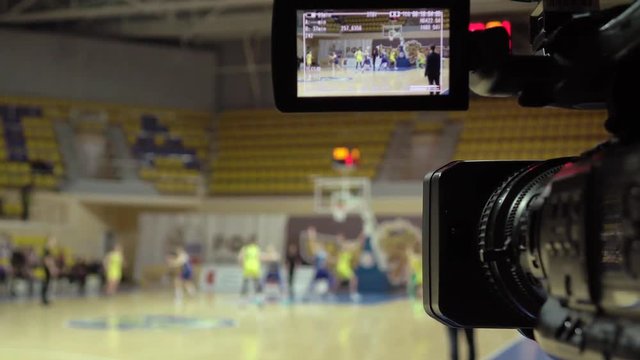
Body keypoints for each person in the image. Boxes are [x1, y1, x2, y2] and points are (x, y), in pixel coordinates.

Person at [303, 226, 335, 300]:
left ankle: (330, 292)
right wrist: (312, 235)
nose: (320, 246)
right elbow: (312, 245)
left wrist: (332, 260)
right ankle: (307, 293)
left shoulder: (325, 253)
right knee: (313, 282)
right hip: (318, 270)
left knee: (332, 278)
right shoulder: (317, 252)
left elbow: (330, 260)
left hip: (324, 271)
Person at [334, 232, 365, 302]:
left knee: (338, 281)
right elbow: (356, 243)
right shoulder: (344, 246)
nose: (338, 239)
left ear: (344, 238)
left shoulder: (346, 245)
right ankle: (353, 294)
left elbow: (357, 243)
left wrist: (361, 237)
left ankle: (332, 293)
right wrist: (360, 238)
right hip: (342, 266)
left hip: (341, 266)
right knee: (354, 279)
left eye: (340, 237)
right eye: (338, 238)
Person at [238, 237, 263, 302]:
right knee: (256, 283)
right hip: (255, 267)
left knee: (245, 283)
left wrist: (241, 265)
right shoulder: (256, 248)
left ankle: (242, 298)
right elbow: (259, 257)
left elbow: (240, 257)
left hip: (247, 267)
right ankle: (259, 298)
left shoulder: (245, 249)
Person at [41, 236, 59, 305]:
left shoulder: (48, 250)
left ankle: (46, 299)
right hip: (46, 269)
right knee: (46, 283)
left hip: (48, 269)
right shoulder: (46, 249)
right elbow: (47, 260)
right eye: (53, 241)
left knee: (48, 284)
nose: (54, 243)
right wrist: (51, 268)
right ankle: (44, 299)